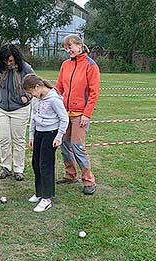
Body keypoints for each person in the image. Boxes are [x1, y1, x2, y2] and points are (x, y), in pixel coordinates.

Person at [55, 34, 100, 195]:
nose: (68, 50)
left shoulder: (90, 65)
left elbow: (94, 93)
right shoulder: (65, 65)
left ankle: (89, 180)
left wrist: (87, 114)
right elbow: (59, 87)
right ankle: (70, 174)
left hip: (80, 114)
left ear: (80, 46)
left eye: (70, 47)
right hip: (64, 114)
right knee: (65, 145)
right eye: (66, 48)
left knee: (78, 147)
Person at [23, 74, 69, 212]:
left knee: (45, 165)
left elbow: (64, 119)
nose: (31, 95)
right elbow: (33, 118)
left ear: (37, 87)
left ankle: (47, 198)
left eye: (31, 92)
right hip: (38, 133)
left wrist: (59, 137)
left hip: (51, 135)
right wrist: (31, 136)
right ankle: (39, 192)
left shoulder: (54, 99)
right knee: (35, 163)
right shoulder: (36, 99)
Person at [0, 44, 34, 181]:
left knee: (19, 140)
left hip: (20, 109)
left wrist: (27, 97)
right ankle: (5, 167)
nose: (7, 63)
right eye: (5, 60)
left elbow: (34, 83)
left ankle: (18, 169)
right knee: (3, 139)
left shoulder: (25, 68)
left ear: (16, 57)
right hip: (1, 108)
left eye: (10, 60)